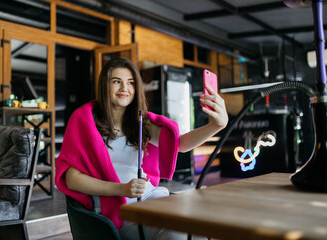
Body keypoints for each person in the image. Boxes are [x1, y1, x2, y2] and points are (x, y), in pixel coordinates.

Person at [55, 57, 228, 240]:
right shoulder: (85, 121)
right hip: (120, 213)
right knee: (177, 233)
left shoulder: (141, 122)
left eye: (130, 83)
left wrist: (217, 125)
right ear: (104, 86)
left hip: (151, 199)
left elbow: (180, 145)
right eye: (116, 82)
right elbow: (72, 179)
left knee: (199, 227)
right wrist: (122, 189)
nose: (124, 89)